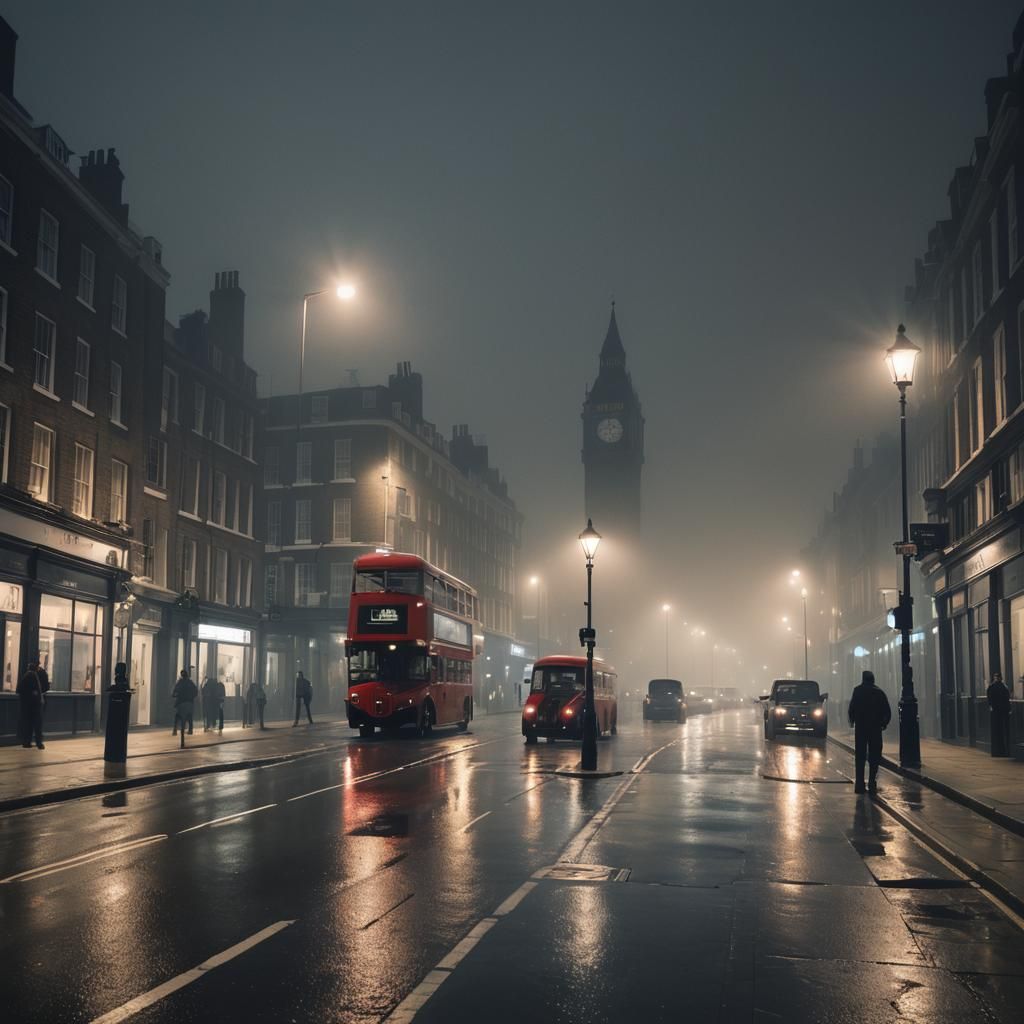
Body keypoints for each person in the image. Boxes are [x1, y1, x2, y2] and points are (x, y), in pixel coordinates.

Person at [848, 669, 892, 794]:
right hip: (875, 728)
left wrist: (852, 720)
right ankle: (872, 781)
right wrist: (884, 723)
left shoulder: (858, 690)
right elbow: (887, 711)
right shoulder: (879, 692)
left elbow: (852, 707)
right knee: (874, 755)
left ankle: (860, 784)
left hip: (861, 727)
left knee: (860, 756)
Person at [17, 660, 46, 749]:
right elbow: (37, 689)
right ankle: (39, 743)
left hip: (27, 705)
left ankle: (26, 742)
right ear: (36, 668)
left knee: (28, 724)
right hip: (34, 705)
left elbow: (19, 690)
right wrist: (35, 694)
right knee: (37, 724)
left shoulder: (26, 676)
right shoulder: (33, 676)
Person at [987, 671, 1012, 757]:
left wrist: (991, 707)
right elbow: (1007, 699)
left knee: (996, 730)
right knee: (1003, 730)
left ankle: (997, 751)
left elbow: (989, 699)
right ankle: (1004, 751)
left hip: (996, 711)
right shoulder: (1004, 687)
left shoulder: (992, 687)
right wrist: (1009, 709)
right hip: (1003, 711)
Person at [172, 669, 197, 736]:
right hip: (189, 702)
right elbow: (195, 691)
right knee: (189, 716)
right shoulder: (190, 683)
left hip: (181, 702)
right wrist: (192, 697)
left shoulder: (179, 682)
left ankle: (175, 730)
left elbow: (174, 691)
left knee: (177, 716)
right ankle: (190, 730)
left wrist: (174, 695)